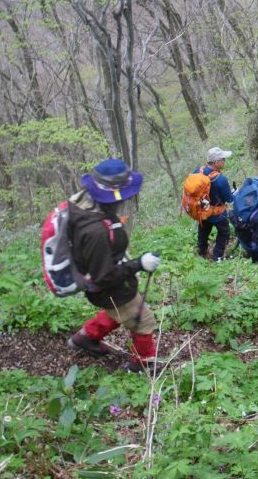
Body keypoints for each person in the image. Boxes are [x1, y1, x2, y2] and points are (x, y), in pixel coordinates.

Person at [66, 159, 161, 373]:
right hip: (109, 287)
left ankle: (85, 337)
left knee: (117, 313)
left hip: (104, 286)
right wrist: (139, 264)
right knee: (144, 320)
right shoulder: (96, 231)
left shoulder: (91, 206)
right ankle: (142, 364)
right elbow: (104, 276)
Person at [195, 147, 234, 261]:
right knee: (224, 233)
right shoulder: (220, 179)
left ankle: (202, 252)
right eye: (223, 159)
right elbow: (229, 199)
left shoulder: (198, 171)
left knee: (203, 231)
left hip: (202, 210)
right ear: (216, 162)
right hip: (217, 214)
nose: (224, 161)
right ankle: (217, 255)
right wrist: (234, 193)